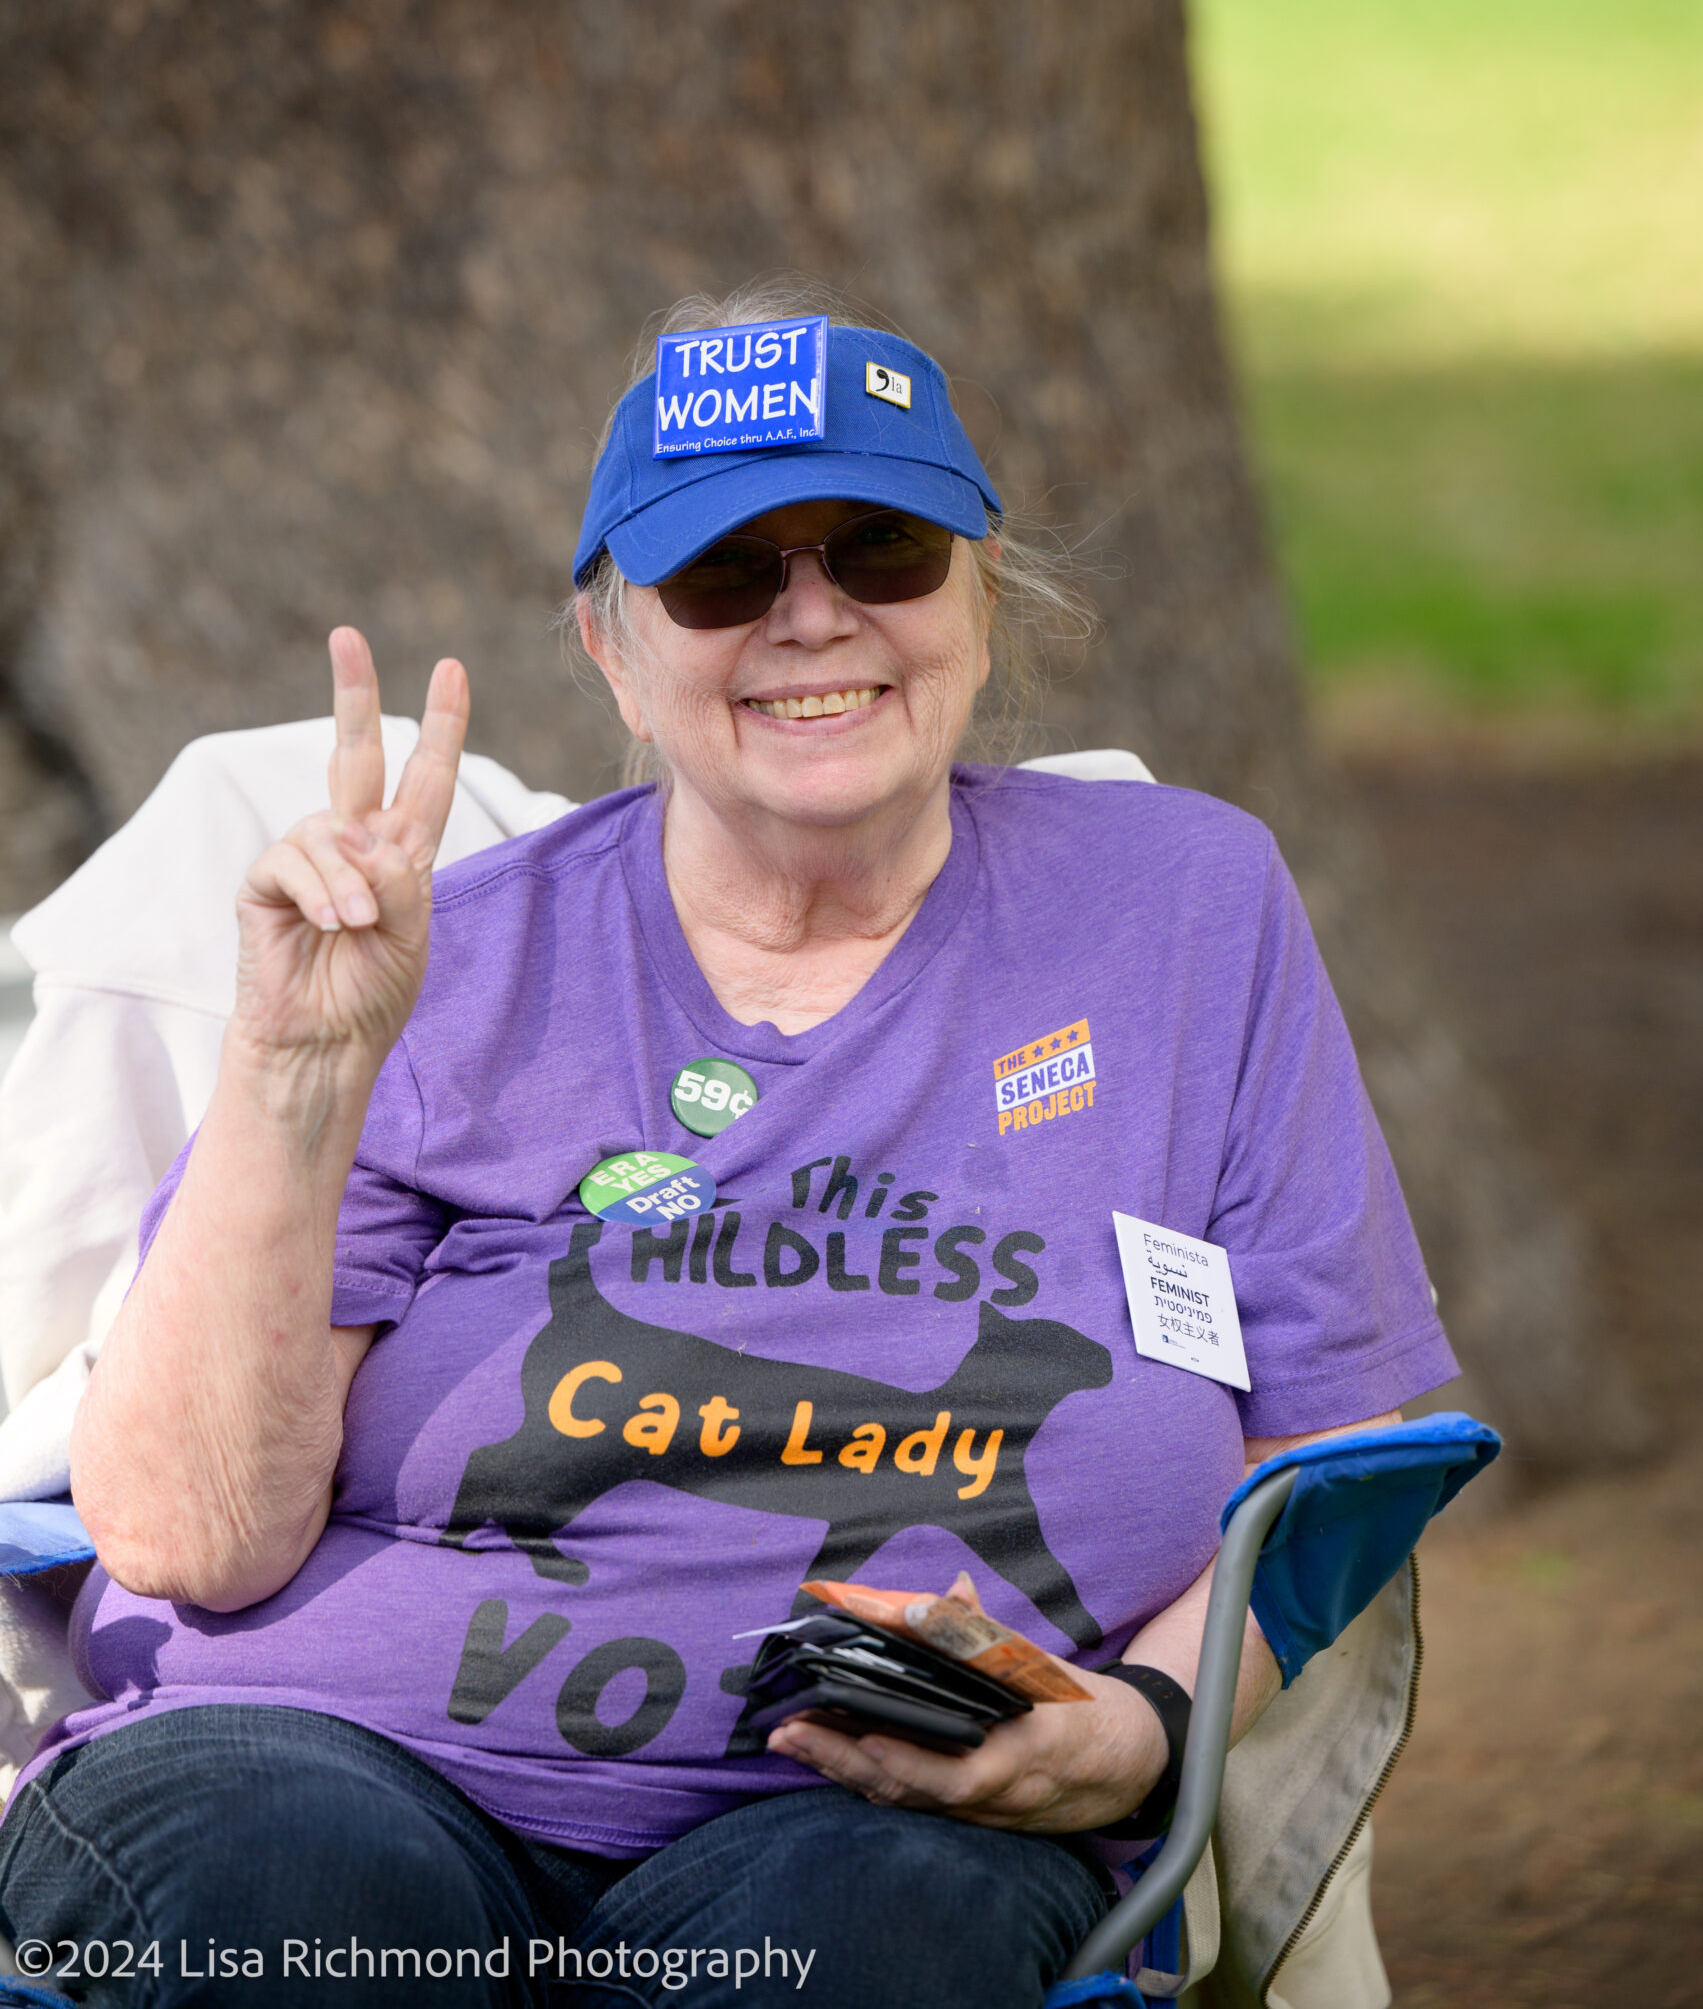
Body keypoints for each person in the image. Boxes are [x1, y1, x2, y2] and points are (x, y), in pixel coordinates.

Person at [0, 295, 1458, 2009]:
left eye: (881, 549)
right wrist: (295, 1077)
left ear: (986, 597)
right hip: (325, 1757)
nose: (813, 615)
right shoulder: (444, 963)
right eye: (725, 575)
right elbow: (191, 1536)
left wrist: (1150, 1723)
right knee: (296, 1927)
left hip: (868, 1819)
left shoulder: (1183, 912)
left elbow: (1334, 1451)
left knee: (860, 1957)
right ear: (614, 644)